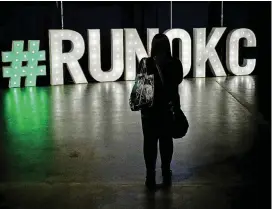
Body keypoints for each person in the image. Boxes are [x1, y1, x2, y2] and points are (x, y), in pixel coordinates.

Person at [137, 33, 183, 190]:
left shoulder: (146, 62)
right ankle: (166, 173)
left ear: (152, 47)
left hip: (149, 112)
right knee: (166, 141)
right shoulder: (175, 63)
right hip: (167, 110)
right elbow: (178, 81)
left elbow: (140, 83)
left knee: (149, 143)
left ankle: (150, 176)